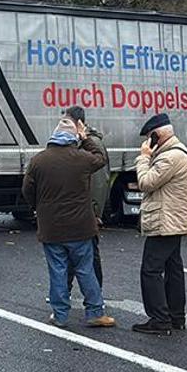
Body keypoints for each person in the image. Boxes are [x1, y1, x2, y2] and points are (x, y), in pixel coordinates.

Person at [22, 117, 116, 328]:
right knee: (85, 270)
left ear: (53, 137)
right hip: (81, 227)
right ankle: (94, 312)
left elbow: (27, 190)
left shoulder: (39, 160)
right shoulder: (82, 158)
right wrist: (86, 137)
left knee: (57, 270)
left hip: (51, 228)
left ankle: (60, 315)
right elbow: (101, 158)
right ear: (73, 138)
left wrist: (39, 207)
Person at [132, 114, 187, 335]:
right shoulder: (178, 153)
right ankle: (176, 317)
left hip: (165, 221)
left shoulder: (170, 157)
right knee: (173, 268)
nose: (148, 142)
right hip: (173, 221)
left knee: (150, 270)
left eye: (150, 137)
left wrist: (143, 158)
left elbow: (146, 182)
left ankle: (159, 319)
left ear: (157, 136)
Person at [62, 106, 109, 293]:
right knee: (73, 251)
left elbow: (98, 181)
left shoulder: (92, 143)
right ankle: (64, 289)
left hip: (87, 210)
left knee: (90, 253)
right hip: (76, 208)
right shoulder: (75, 142)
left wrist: (95, 211)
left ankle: (95, 292)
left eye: (67, 121)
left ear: (79, 123)